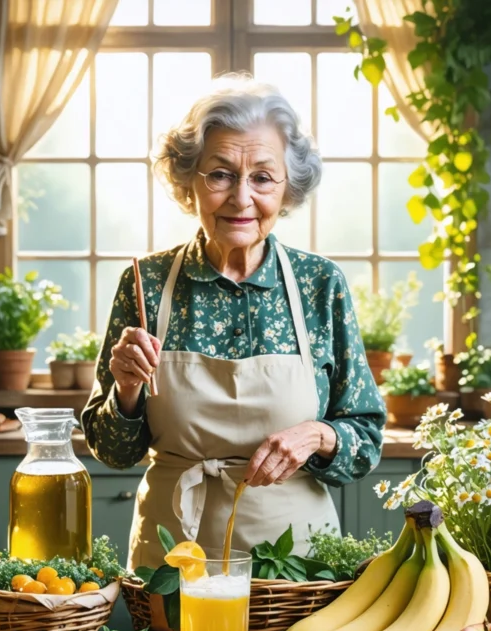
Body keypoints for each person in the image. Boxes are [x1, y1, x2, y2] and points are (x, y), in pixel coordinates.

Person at [82, 76, 386, 570]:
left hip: (297, 562)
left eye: (263, 178)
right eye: (220, 174)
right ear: (189, 182)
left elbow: (367, 440)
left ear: (287, 189)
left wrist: (317, 436)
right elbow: (112, 452)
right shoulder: (147, 283)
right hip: (173, 558)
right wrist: (126, 389)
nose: (241, 197)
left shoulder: (320, 283)